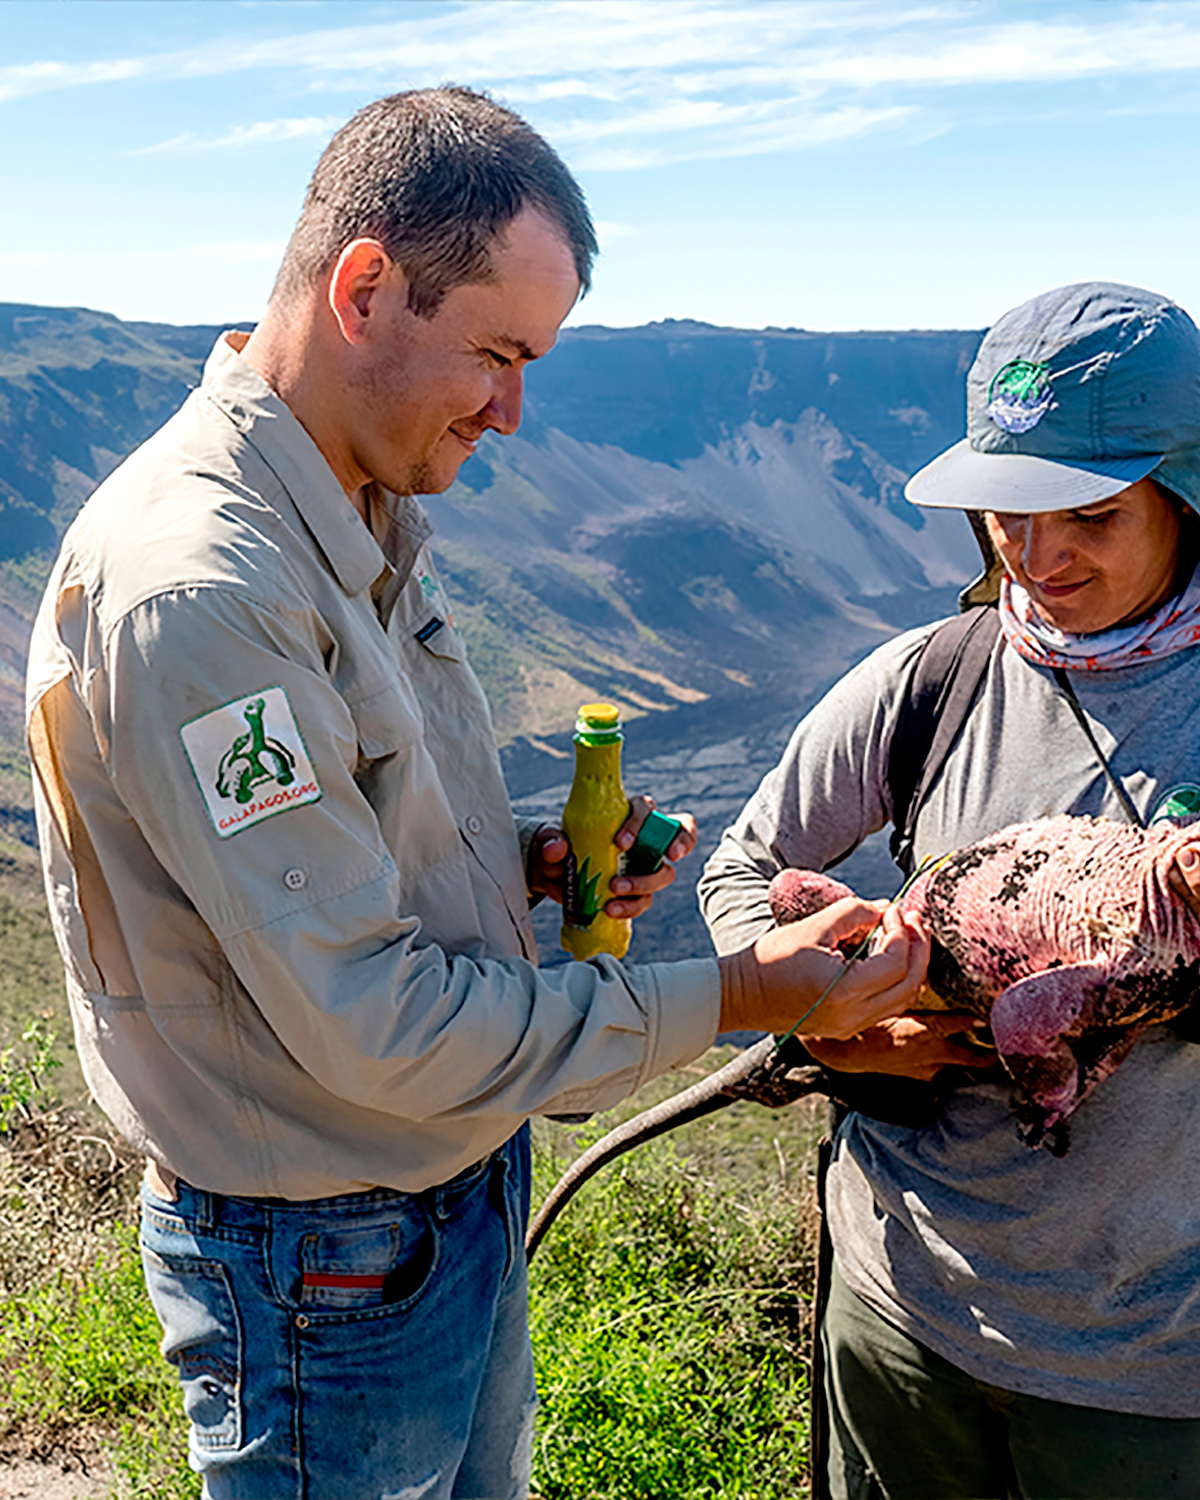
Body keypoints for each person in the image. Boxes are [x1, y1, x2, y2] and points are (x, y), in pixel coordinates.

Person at [24, 87, 927, 1500]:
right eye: (497, 355)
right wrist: (744, 994)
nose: (511, 414)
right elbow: (369, 1019)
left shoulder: (357, 504)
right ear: (368, 286)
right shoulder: (206, 595)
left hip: (434, 1201)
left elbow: (338, 848)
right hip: (323, 1267)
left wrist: (523, 869)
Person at [699, 280, 1200, 1500]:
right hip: (901, 1320)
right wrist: (833, 1019)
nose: (1036, 557)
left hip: (1153, 1376)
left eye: (1089, 514)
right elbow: (742, 871)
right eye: (1004, 515)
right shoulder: (936, 678)